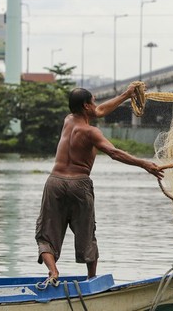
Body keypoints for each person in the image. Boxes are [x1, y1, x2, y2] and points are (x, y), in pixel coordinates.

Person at [35, 84, 164, 282]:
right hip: (79, 183)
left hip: (55, 181)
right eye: (93, 102)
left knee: (47, 233)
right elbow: (114, 152)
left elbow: (101, 110)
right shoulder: (91, 132)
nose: (96, 105)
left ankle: (53, 272)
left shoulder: (68, 120)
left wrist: (126, 95)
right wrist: (144, 164)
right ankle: (91, 279)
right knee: (86, 232)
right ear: (86, 106)